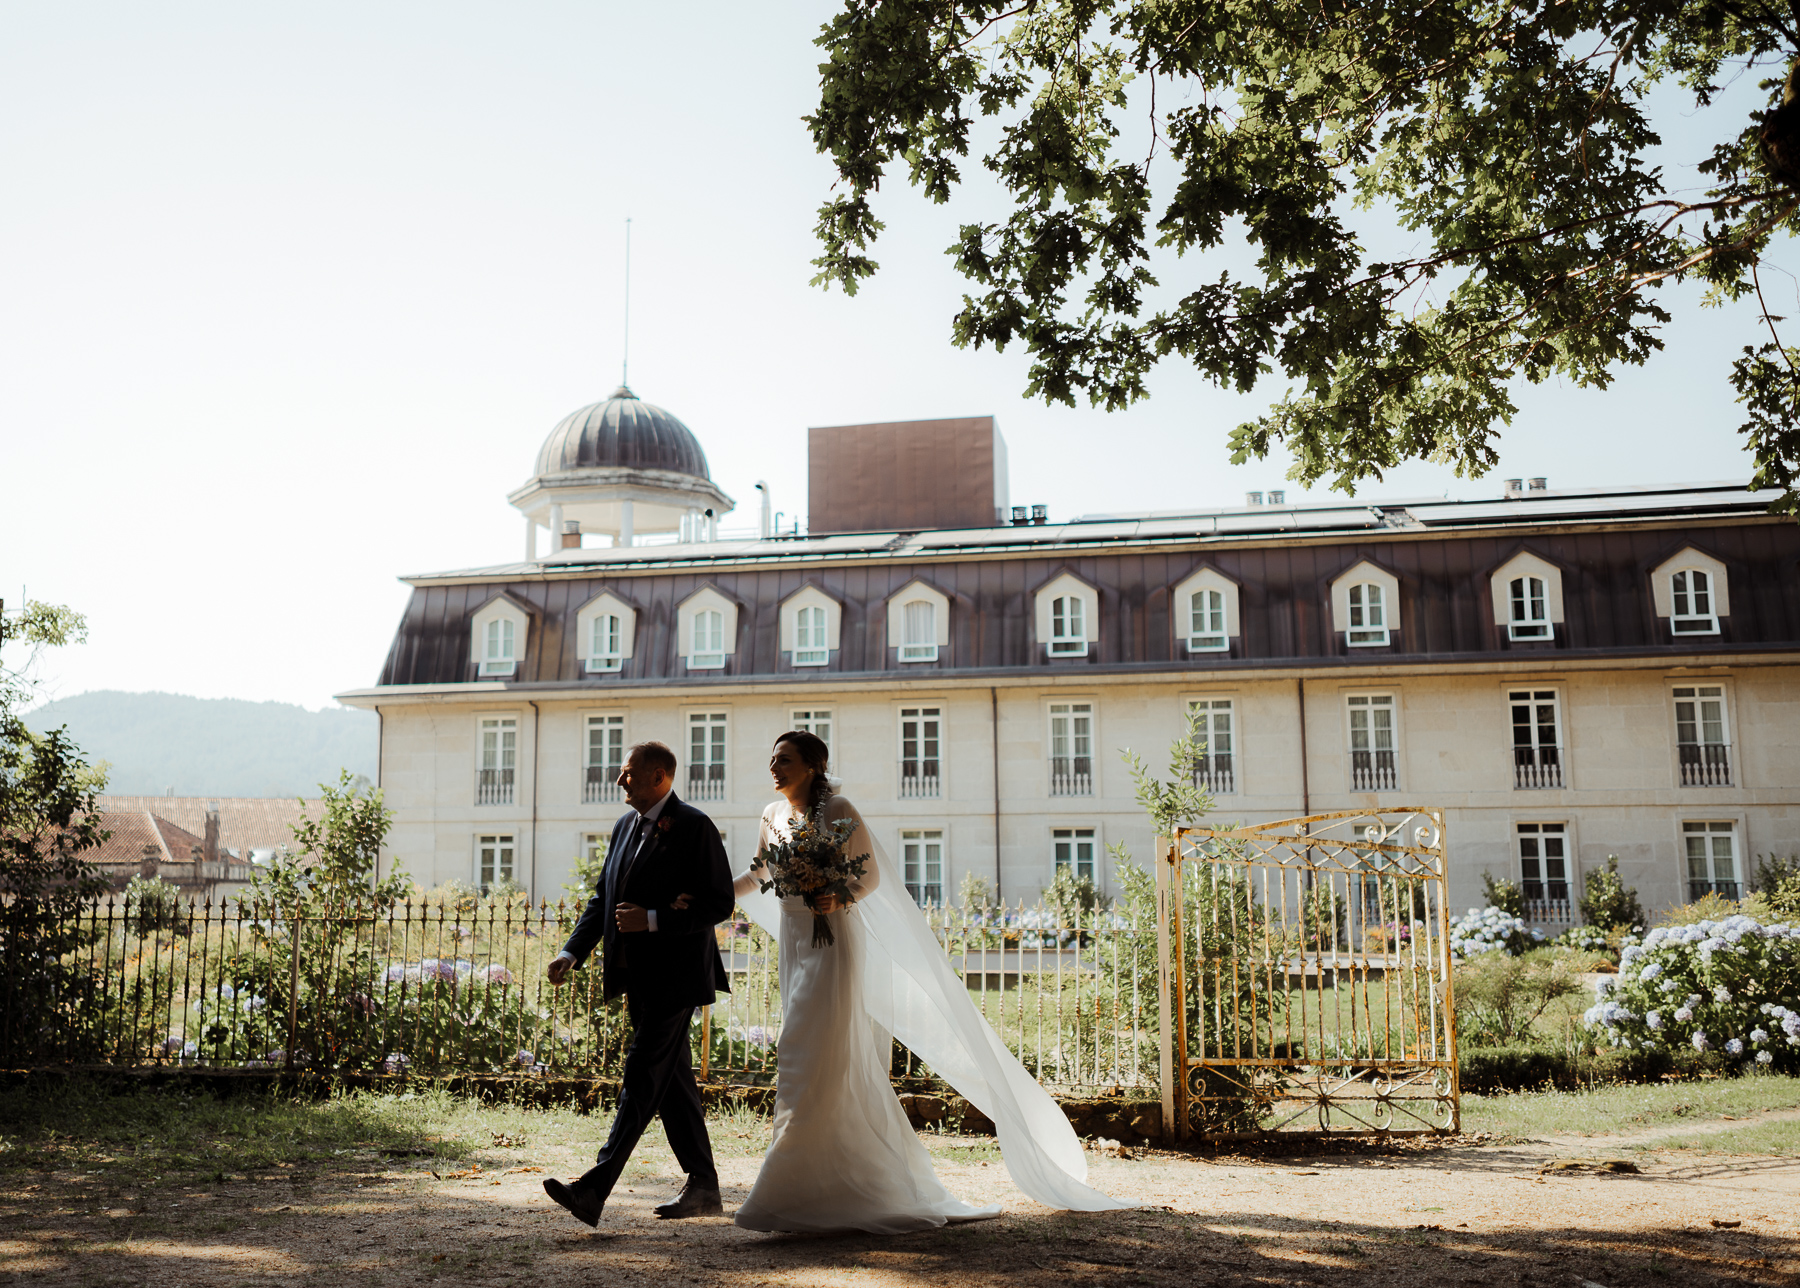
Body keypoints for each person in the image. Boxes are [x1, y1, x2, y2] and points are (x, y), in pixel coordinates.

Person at [726, 731, 1131, 1234]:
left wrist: (838, 897)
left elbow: (868, 878)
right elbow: (757, 872)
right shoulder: (771, 815)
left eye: (784, 759)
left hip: (832, 946)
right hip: (794, 940)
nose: (774, 766)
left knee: (806, 1052)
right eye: (772, 758)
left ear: (813, 765)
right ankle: (825, 1182)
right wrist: (709, 900)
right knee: (807, 1058)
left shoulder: (839, 810)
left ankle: (789, 1190)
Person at [540, 740, 734, 1228]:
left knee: (642, 1076)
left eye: (629, 773)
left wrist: (652, 920)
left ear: (661, 777)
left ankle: (593, 1189)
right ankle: (705, 1187)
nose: (620, 780)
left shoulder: (695, 826)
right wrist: (572, 951)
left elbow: (719, 903)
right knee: (672, 1084)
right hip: (635, 978)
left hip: (677, 978)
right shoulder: (624, 827)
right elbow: (603, 898)